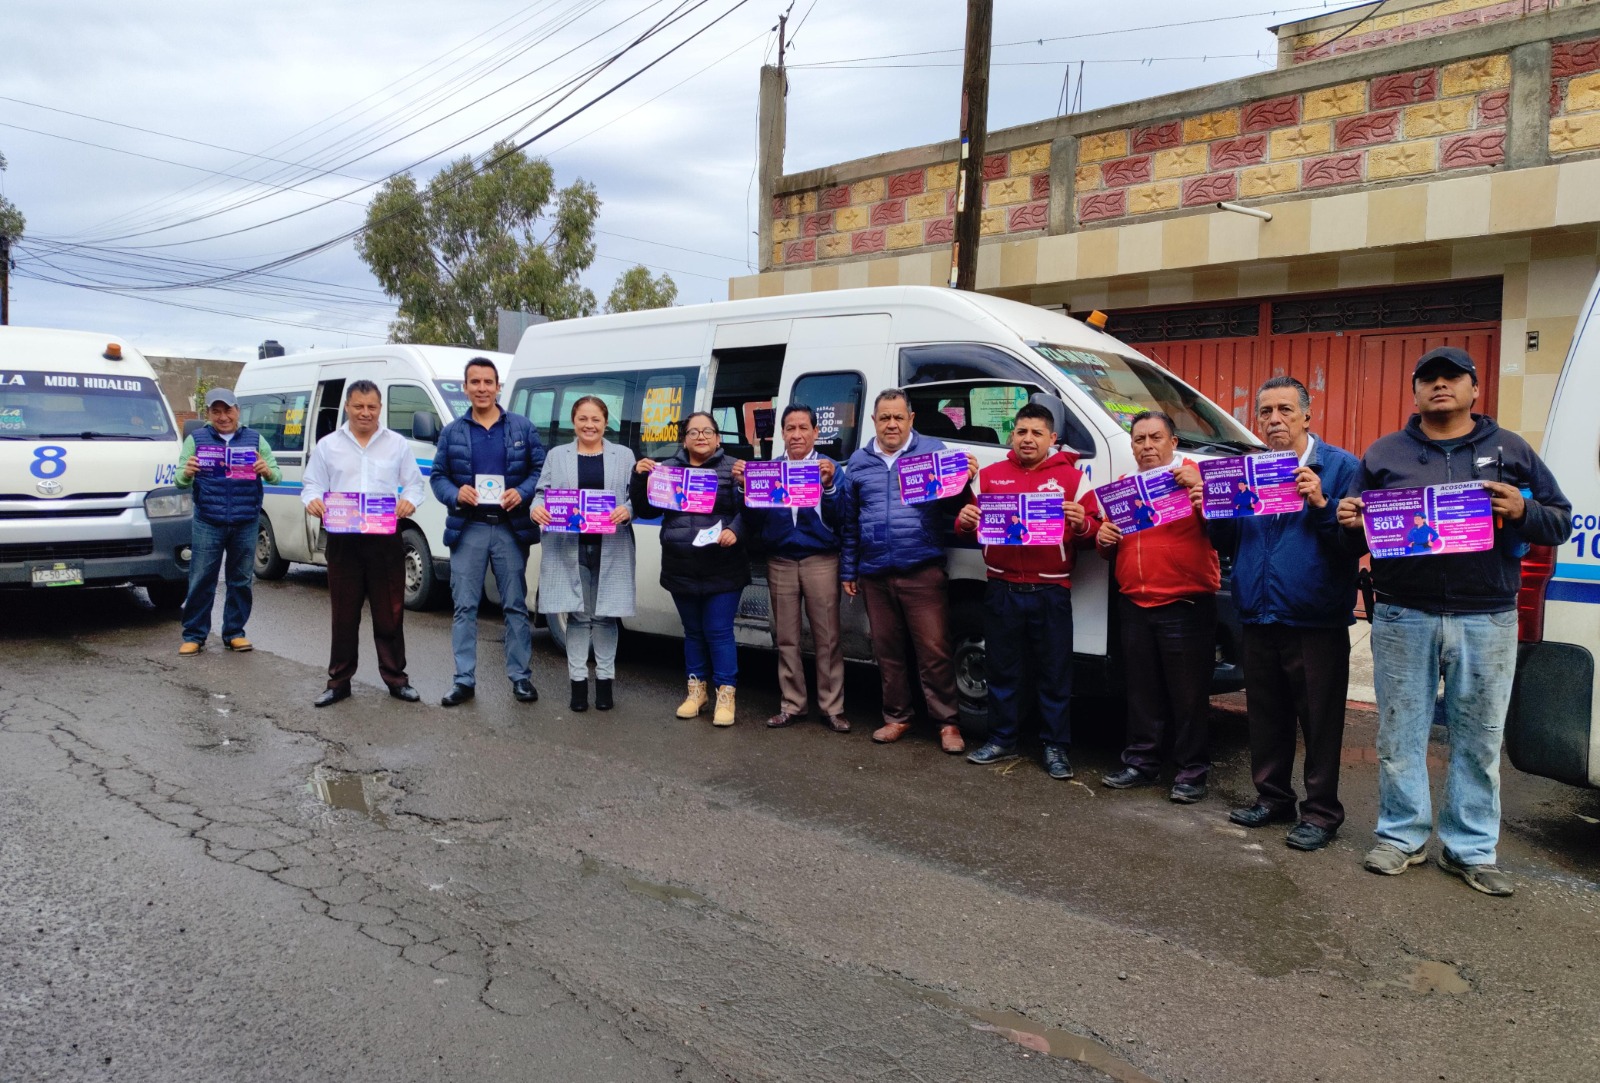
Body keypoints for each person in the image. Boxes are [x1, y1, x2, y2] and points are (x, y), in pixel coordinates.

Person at [1336, 347, 1571, 896]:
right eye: (1429, 378)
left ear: (1474, 389)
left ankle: (1471, 850)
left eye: (1452, 377)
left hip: (1488, 617)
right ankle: (1401, 838)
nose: (1440, 385)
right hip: (1402, 614)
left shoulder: (1511, 450)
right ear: (1415, 392)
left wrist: (1524, 511)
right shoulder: (1384, 454)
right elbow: (1354, 537)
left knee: (1480, 740)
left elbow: (1559, 521)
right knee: (1400, 735)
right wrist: (1348, 523)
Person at [1210, 377, 1360, 851]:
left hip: (1315, 619)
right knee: (1266, 716)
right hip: (1258, 613)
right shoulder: (1247, 470)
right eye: (1266, 412)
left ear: (1307, 416)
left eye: (1285, 410)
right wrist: (1213, 509)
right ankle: (1273, 798)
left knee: (1320, 721)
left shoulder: (1341, 467)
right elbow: (1226, 541)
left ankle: (1321, 813)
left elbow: (1356, 542)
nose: (1274, 419)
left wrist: (1322, 504)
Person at [956, 404, 1096, 779]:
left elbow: (1097, 533)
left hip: (1051, 590)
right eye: (1021, 432)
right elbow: (968, 525)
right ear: (1012, 436)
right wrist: (964, 521)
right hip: (1001, 588)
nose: (1028, 439)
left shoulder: (1072, 479)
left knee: (1055, 674)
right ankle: (1001, 739)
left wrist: (1083, 525)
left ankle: (1055, 747)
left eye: (1036, 433)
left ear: (1052, 438)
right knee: (1001, 671)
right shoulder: (989, 477)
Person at [839, 388, 977, 754]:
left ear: (911, 419)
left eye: (898, 417)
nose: (892, 424)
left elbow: (955, 505)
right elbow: (850, 523)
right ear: (874, 421)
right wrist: (849, 570)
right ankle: (897, 717)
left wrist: (964, 478)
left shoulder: (932, 452)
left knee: (934, 651)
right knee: (887, 651)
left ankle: (947, 723)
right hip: (874, 572)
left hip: (921, 569)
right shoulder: (859, 462)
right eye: (884, 417)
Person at [1094, 411, 1218, 802]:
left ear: (1173, 443)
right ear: (1132, 447)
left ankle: (1191, 772)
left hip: (1185, 603)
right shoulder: (1122, 487)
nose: (1147, 446)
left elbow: (1225, 530)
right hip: (1135, 602)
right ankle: (1141, 762)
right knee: (1141, 692)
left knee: (1189, 697)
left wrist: (1203, 492)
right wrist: (1103, 537)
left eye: (1156, 438)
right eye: (1140, 439)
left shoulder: (1196, 476)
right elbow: (1107, 546)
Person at [429, 357, 547, 708]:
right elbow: (438, 477)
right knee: (465, 607)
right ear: (465, 388)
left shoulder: (522, 428)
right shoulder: (452, 432)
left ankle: (520, 677)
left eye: (488, 382)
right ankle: (463, 680)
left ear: (498, 387)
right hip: (469, 528)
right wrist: (456, 494)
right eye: (475, 382)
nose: (482, 388)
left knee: (515, 606)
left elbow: (540, 470)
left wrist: (522, 492)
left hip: (511, 529)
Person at [301, 380, 427, 707]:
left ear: (380, 408)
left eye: (372, 407)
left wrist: (409, 501)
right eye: (359, 406)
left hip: (385, 539)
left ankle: (396, 679)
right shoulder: (328, 445)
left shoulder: (397, 444)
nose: (365, 413)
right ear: (347, 407)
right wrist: (313, 500)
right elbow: (312, 484)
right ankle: (339, 682)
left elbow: (415, 485)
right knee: (344, 614)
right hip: (343, 540)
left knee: (390, 613)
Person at [733, 404, 849, 733]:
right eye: (790, 428)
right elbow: (753, 518)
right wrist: (743, 487)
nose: (796, 434)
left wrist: (829, 487)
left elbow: (842, 517)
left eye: (803, 428)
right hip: (781, 560)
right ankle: (792, 704)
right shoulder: (769, 470)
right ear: (782, 433)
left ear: (815, 432)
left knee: (828, 638)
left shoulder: (830, 469)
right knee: (785, 637)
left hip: (821, 560)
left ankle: (832, 708)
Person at [632, 411, 748, 726]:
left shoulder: (734, 469)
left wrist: (735, 530)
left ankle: (726, 695)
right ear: (684, 439)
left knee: (719, 632)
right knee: (693, 632)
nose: (701, 437)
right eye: (693, 432)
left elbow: (750, 511)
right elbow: (646, 510)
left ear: (718, 438)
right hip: (680, 565)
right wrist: (639, 478)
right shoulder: (667, 470)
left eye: (707, 431)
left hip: (723, 566)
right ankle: (696, 692)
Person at [532, 395, 636, 712]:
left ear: (605, 423)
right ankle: (578, 685)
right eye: (583, 419)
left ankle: (605, 684)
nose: (589, 425)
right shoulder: (557, 455)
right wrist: (536, 509)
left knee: (605, 617)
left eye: (596, 419)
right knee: (577, 616)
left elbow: (635, 496)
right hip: (568, 546)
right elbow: (541, 493)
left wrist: (627, 509)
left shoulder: (624, 455)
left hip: (612, 546)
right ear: (573, 421)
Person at [174, 387, 282, 655]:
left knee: (241, 580)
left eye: (228, 410)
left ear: (238, 411)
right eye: (216, 411)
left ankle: (234, 633)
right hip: (208, 521)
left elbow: (276, 475)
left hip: (246, 520)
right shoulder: (196, 440)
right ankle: (194, 635)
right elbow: (178, 481)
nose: (223, 417)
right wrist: (187, 473)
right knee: (201, 579)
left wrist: (267, 470)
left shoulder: (255, 440)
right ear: (208, 414)